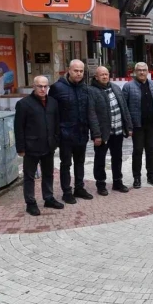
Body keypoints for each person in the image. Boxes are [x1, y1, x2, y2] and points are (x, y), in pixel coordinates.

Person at [48, 60, 101, 204]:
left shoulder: (85, 88)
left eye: (81, 71)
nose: (79, 73)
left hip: (81, 132)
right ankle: (66, 191)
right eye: (76, 70)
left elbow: (90, 111)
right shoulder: (57, 88)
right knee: (66, 164)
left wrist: (94, 132)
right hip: (65, 134)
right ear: (69, 70)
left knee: (80, 162)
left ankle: (79, 188)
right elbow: (51, 113)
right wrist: (55, 134)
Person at [14, 76, 64, 216]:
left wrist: (56, 140)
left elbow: (56, 123)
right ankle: (30, 203)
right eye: (39, 86)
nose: (43, 89)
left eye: (45, 86)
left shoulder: (53, 102)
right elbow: (19, 128)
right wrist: (21, 148)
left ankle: (48, 198)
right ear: (34, 87)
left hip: (49, 145)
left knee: (48, 173)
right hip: (31, 147)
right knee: (29, 176)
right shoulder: (24, 104)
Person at [89, 66, 134, 196]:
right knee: (100, 159)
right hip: (103, 133)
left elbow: (124, 108)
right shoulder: (91, 91)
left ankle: (117, 182)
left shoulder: (115, 87)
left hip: (118, 131)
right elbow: (91, 114)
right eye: (101, 75)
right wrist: (96, 135)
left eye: (106, 74)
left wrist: (128, 127)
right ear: (96, 77)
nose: (104, 76)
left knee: (117, 157)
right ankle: (101, 184)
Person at [122, 62, 153, 189]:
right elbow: (124, 108)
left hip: (151, 124)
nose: (142, 72)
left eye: (144, 70)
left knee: (150, 150)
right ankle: (137, 177)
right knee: (137, 151)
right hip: (137, 125)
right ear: (135, 72)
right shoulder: (128, 87)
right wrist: (128, 126)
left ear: (148, 71)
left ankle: (151, 176)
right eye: (139, 70)